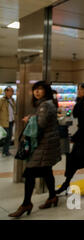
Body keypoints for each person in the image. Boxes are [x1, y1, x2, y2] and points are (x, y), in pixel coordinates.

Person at [9, 81, 61, 218]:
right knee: (47, 171)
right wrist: (33, 117)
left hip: (44, 145)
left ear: (46, 91)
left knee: (30, 172)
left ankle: (26, 203)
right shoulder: (46, 104)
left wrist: (29, 119)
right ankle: (52, 197)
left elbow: (41, 124)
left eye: (40, 89)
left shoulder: (45, 105)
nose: (37, 92)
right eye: (35, 89)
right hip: (48, 144)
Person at [0, 86, 16, 157]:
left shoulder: (12, 100)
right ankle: (5, 151)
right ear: (6, 92)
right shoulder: (2, 100)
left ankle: (5, 151)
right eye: (10, 91)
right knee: (5, 137)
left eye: (12, 91)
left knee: (9, 137)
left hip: (11, 121)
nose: (12, 92)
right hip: (4, 121)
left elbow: (14, 110)